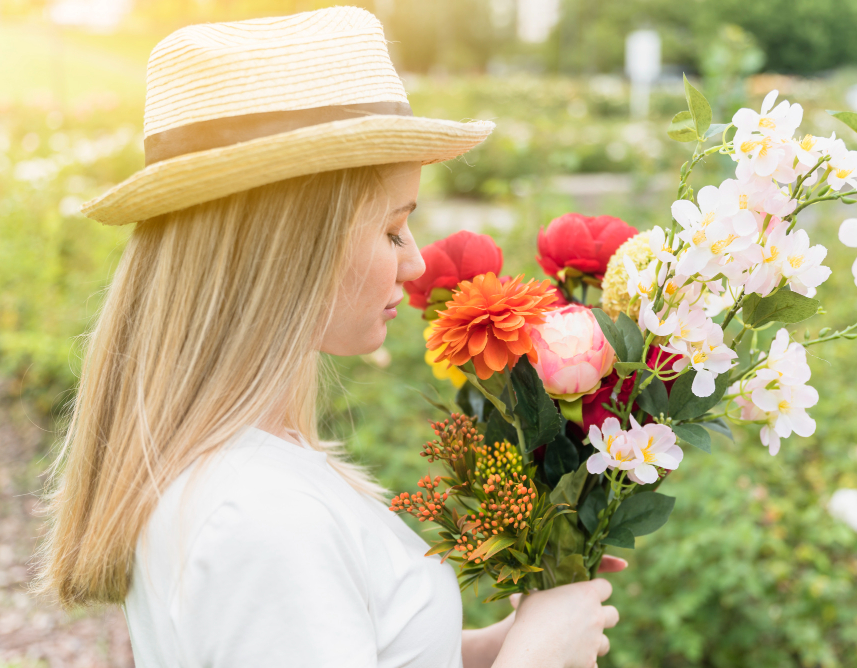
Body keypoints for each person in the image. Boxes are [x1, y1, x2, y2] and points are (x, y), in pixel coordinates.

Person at [34, 7, 623, 667]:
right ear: (294, 250)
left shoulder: (248, 469)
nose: (418, 262)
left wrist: (487, 651)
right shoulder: (260, 517)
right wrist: (539, 656)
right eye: (393, 229)